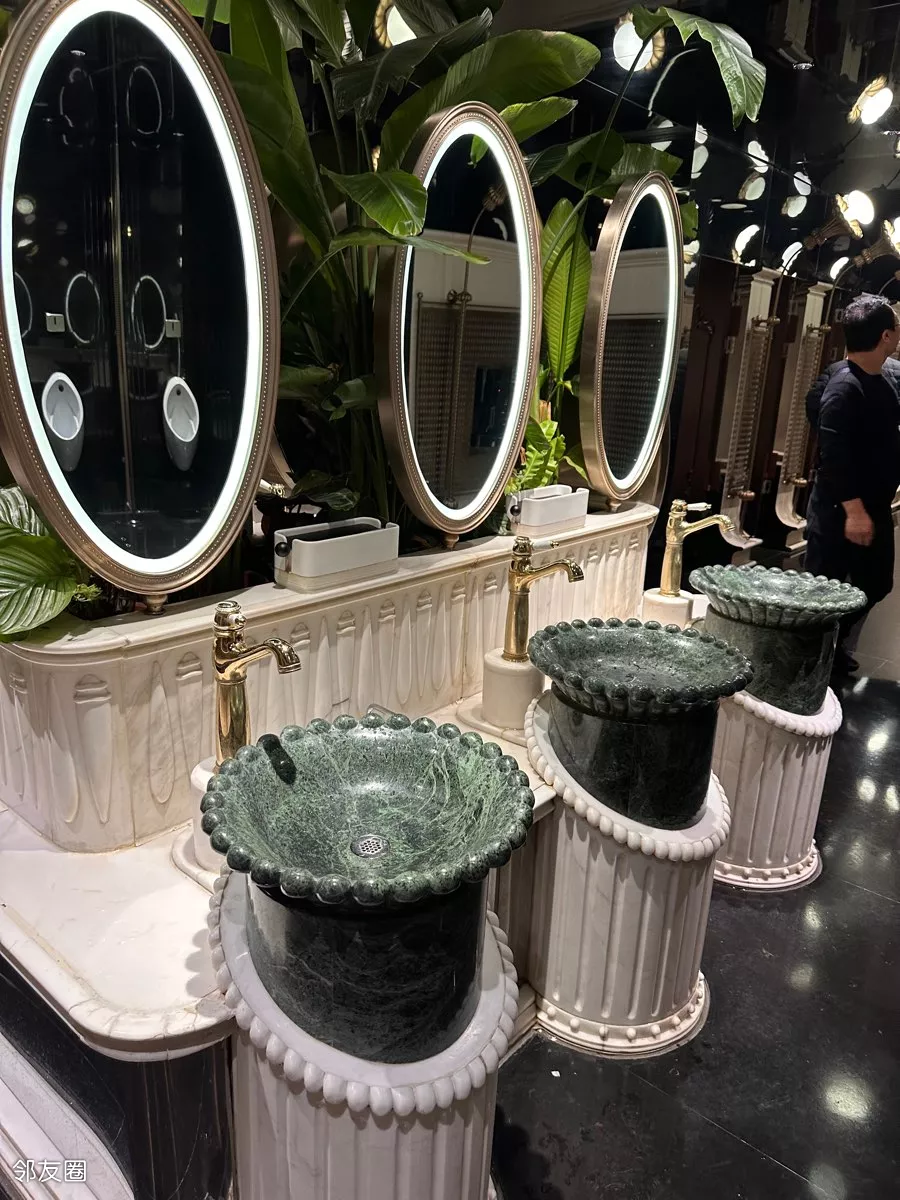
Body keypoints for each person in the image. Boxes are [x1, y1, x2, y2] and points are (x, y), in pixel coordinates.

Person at [805, 294, 900, 674]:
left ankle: (833, 643)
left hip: (873, 502)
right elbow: (832, 455)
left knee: (876, 583)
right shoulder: (843, 387)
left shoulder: (885, 376)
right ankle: (811, 663)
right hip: (841, 508)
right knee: (822, 591)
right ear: (886, 336)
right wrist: (854, 512)